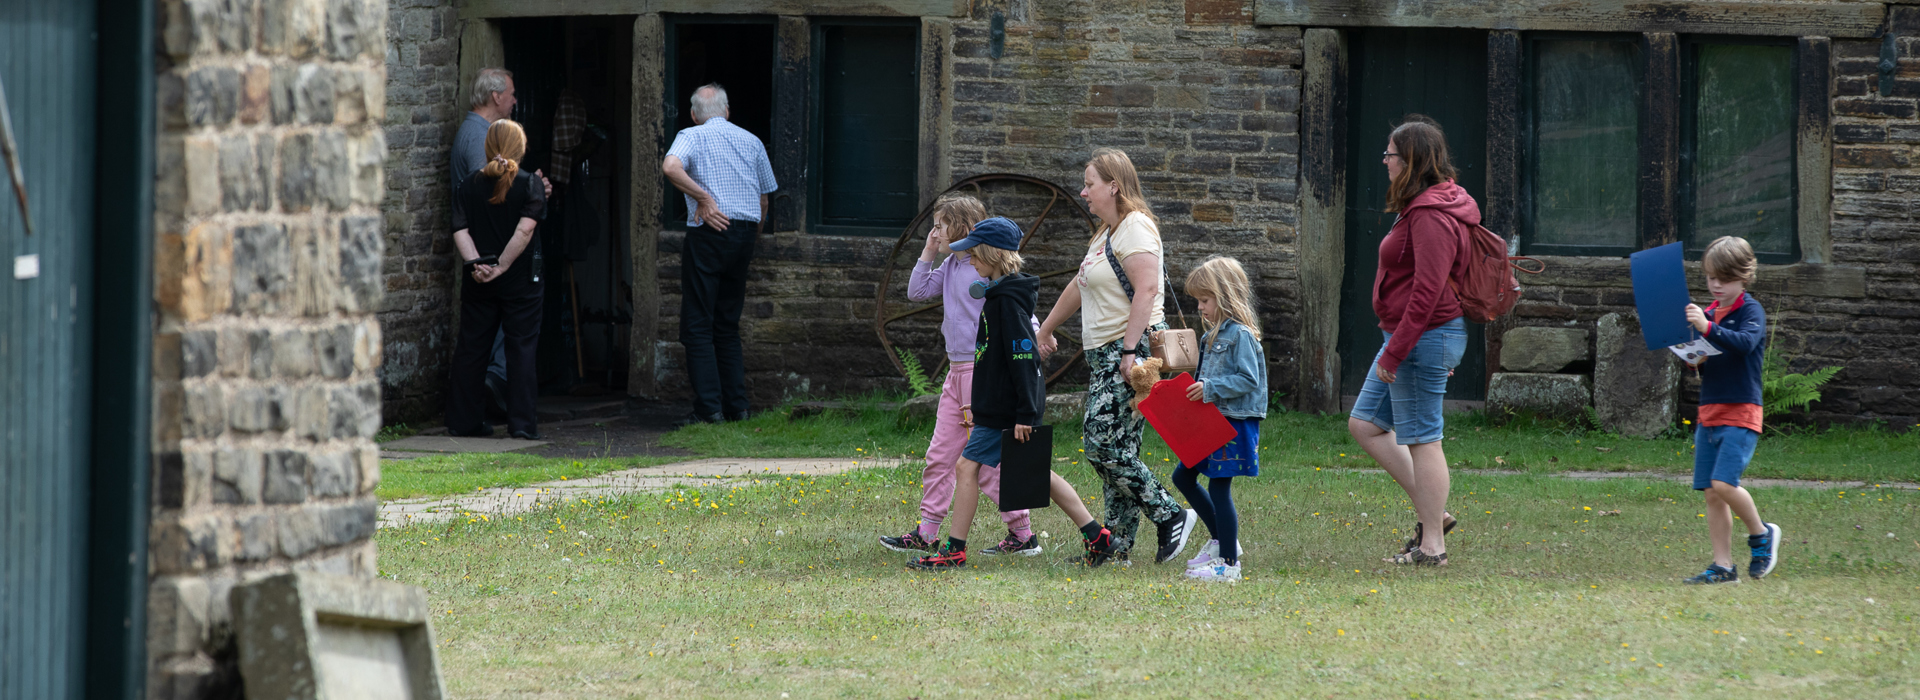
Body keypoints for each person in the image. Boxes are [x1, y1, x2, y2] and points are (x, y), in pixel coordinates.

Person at [908, 218, 1118, 570]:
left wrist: (1025, 414)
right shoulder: (999, 296)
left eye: (974, 255)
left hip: (1008, 410)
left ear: (991, 255)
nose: (970, 262)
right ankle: (1097, 535)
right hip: (1000, 406)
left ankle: (954, 550)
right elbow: (997, 360)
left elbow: (1024, 359)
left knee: (965, 466)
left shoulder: (1006, 303)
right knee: (1036, 474)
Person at [1037, 148, 1197, 567]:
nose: (1083, 191)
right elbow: (1080, 283)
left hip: (1129, 352)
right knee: (1119, 447)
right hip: (1106, 354)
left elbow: (1146, 290)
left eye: (1089, 183)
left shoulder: (1136, 227)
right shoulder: (1107, 234)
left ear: (1114, 185)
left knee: (1101, 444)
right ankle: (1117, 546)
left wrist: (1128, 351)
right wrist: (1047, 327)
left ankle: (1170, 514)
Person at [879, 196, 1038, 557]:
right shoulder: (951, 264)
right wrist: (928, 251)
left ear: (963, 227)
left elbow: (1016, 311)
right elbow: (916, 291)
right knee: (940, 455)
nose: (934, 232)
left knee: (983, 462)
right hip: (955, 373)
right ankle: (926, 531)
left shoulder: (983, 270)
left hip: (978, 373)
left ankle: (1022, 532)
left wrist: (1038, 335)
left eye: (940, 225)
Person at [1347, 116, 1473, 567]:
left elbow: (1429, 290)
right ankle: (1435, 513)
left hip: (1420, 336)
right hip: (1412, 336)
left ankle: (1433, 545)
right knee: (1365, 424)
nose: (1384, 161)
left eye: (1391, 155)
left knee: (1423, 439)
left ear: (1411, 160)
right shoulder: (1422, 205)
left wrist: (1397, 352)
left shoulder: (1430, 213)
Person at [662, 83, 778, 426]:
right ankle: (737, 408)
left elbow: (670, 167)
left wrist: (704, 199)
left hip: (710, 231)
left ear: (695, 114)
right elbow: (764, 199)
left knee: (697, 324)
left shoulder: (692, 135)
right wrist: (749, 238)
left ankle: (709, 410)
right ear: (727, 111)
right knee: (726, 324)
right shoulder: (751, 140)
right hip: (744, 232)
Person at [1680, 236, 1781, 585]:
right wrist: (1694, 358)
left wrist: (1707, 328)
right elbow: (1707, 362)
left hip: (1742, 411)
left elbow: (1743, 344)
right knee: (1711, 491)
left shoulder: (1750, 311)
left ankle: (1761, 533)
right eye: (1710, 278)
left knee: (1724, 482)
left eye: (1724, 279)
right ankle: (1723, 567)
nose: (1716, 285)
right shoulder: (1706, 314)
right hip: (1709, 411)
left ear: (1744, 277)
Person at [453, 68, 549, 416]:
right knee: (520, 347)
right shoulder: (525, 184)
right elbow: (521, 227)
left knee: (471, 347)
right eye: (510, 93)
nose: (514, 100)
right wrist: (500, 265)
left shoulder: (468, 186)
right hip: (513, 272)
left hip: (478, 269)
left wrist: (475, 263)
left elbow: (460, 227)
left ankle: (462, 419)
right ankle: (521, 421)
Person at [1171, 256, 1267, 582]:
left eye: (1205, 300)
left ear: (1225, 296)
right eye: (1198, 300)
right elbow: (1202, 384)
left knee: (1219, 488)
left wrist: (1210, 388)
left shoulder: (1240, 336)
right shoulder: (1209, 336)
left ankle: (1229, 565)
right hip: (1212, 422)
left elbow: (1248, 379)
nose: (1200, 307)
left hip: (1233, 424)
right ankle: (1221, 541)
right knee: (1183, 477)